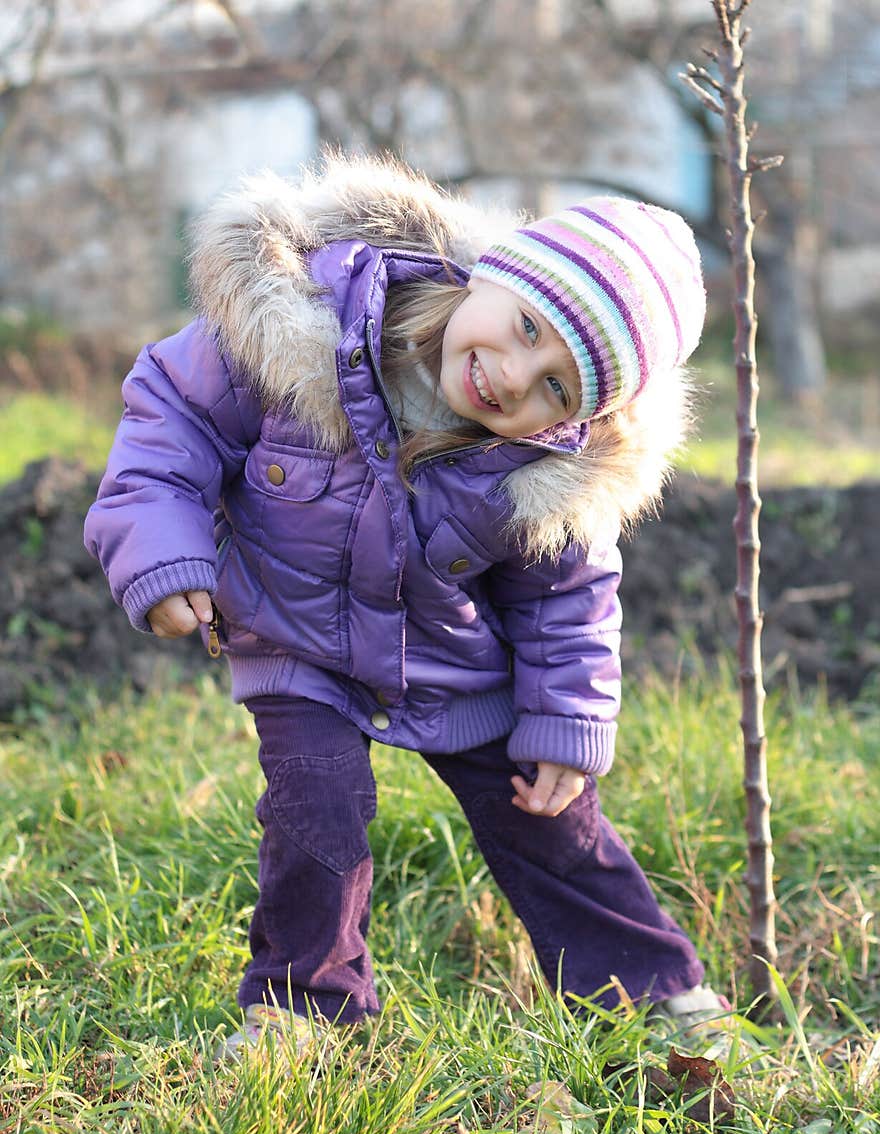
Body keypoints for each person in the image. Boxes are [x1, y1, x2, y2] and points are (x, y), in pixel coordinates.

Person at [84, 150, 730, 1064]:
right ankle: (305, 1019)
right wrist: (162, 554)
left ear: (579, 418)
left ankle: (660, 998)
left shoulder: (546, 469)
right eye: (526, 328)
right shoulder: (300, 323)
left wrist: (565, 724)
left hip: (444, 655)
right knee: (319, 814)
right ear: (491, 275)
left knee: (550, 817)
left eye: (557, 386)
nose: (513, 375)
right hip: (296, 634)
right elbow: (168, 425)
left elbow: (568, 596)